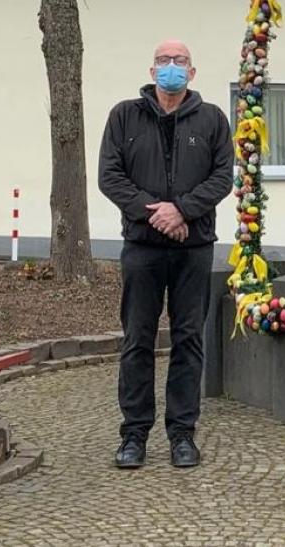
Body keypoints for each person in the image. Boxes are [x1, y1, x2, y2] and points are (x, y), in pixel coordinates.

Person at [98, 40, 233, 470]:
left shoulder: (212, 119)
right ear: (152, 69)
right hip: (142, 247)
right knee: (137, 340)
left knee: (188, 340)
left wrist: (184, 210)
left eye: (179, 61)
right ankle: (134, 434)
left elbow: (223, 177)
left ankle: (182, 434)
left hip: (194, 247)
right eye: (163, 61)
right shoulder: (124, 116)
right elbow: (110, 175)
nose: (170, 67)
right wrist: (152, 213)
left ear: (192, 73)